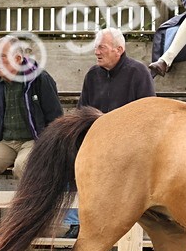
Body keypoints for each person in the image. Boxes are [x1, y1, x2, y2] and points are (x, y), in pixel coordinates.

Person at [59, 28, 155, 237]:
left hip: (129, 143)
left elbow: (149, 115)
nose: (96, 52)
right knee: (68, 158)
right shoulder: (92, 75)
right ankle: (77, 223)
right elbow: (82, 112)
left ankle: (125, 226)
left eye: (101, 47)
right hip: (96, 140)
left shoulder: (138, 72)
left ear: (118, 50)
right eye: (96, 48)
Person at [0, 36, 63, 234]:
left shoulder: (40, 79)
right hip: (7, 142)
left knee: (23, 166)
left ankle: (28, 225)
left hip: (35, 140)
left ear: (18, 59)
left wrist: (52, 150)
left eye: (2, 57)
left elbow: (56, 118)